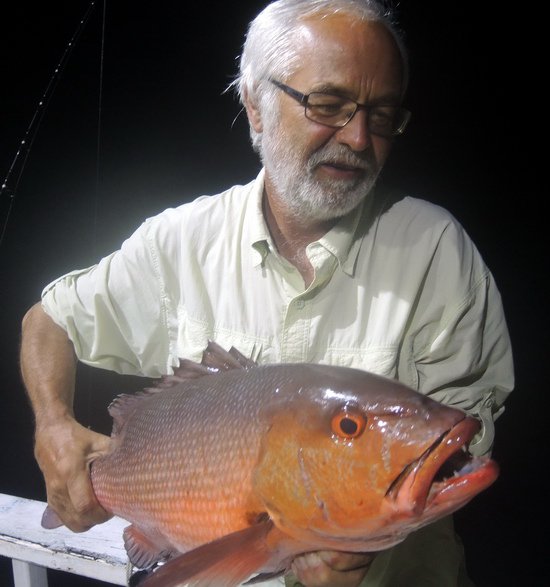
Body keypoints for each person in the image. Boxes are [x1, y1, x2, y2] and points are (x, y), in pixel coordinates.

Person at [19, 0, 514, 586]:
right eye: (327, 105)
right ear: (254, 106)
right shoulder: (177, 243)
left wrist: (354, 541)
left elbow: (465, 435)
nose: (358, 137)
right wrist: (53, 424)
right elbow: (48, 319)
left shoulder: (437, 251)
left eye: (381, 115)